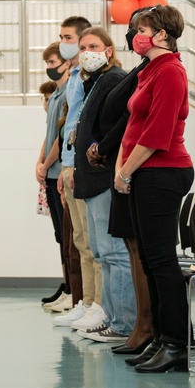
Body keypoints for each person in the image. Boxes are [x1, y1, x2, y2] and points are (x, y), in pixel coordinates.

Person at [113, 5, 193, 374]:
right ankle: (160, 338)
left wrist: (126, 172)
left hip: (162, 171)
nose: (135, 36)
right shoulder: (150, 71)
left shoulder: (171, 71)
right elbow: (133, 125)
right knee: (149, 258)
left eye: (141, 29)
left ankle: (176, 344)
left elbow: (157, 136)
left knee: (161, 261)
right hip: (143, 172)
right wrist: (123, 168)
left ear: (162, 34)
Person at [89, 12, 153, 355]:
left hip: (140, 171)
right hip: (118, 168)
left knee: (119, 254)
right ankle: (124, 322)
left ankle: (130, 323)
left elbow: (140, 127)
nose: (135, 35)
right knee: (109, 252)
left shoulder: (152, 72)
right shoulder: (140, 72)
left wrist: (121, 167)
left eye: (141, 30)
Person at [71, 27, 135, 343]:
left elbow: (125, 122)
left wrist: (102, 148)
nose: (86, 51)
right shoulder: (93, 83)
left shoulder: (113, 78)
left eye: (93, 45)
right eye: (83, 46)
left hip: (103, 178)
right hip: (91, 180)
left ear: (108, 50)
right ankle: (111, 317)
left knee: (113, 253)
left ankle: (124, 323)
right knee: (101, 253)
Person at [53, 16, 105, 329]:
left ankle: (98, 304)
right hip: (71, 162)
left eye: (71, 38)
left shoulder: (97, 79)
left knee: (95, 244)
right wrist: (65, 164)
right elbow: (70, 124)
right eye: (71, 41)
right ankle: (85, 302)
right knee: (81, 241)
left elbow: (87, 124)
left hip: (84, 165)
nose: (69, 44)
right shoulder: (74, 75)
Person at [36, 42, 77, 309]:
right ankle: (67, 286)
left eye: (52, 63)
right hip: (50, 173)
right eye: (47, 64)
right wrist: (39, 163)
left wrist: (48, 162)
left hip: (59, 172)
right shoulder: (55, 95)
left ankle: (74, 290)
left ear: (65, 62)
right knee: (60, 235)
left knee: (69, 236)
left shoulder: (67, 96)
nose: (49, 68)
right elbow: (48, 134)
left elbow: (61, 139)